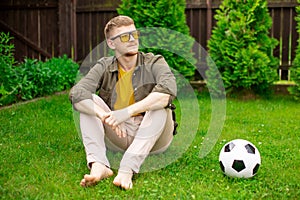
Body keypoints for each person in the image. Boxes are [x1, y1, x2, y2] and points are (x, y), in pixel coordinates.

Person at [69, 15, 177, 190]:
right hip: (120, 133)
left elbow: (168, 91)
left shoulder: (155, 61)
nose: (133, 40)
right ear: (112, 44)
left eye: (134, 34)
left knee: (160, 105)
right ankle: (98, 164)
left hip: (155, 137)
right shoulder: (104, 65)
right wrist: (105, 115)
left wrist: (125, 112)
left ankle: (127, 168)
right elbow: (77, 93)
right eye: (125, 37)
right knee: (89, 101)